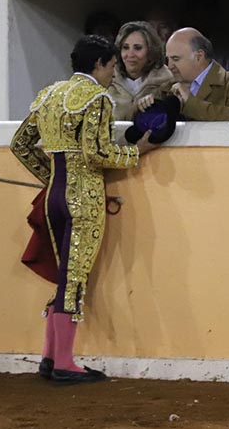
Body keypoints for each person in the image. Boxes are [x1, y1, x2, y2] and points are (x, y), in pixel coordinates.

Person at [10, 35, 158, 384]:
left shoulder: (48, 94)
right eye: (111, 66)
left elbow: (20, 144)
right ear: (100, 64)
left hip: (53, 198)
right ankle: (64, 363)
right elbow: (97, 154)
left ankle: (49, 359)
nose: (112, 74)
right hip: (83, 198)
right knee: (74, 278)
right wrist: (139, 152)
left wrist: (52, 178)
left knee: (63, 276)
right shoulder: (96, 98)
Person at [140, 27, 229, 121]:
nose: (169, 66)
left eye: (176, 59)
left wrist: (190, 102)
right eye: (168, 59)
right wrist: (143, 107)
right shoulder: (166, 87)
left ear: (199, 57)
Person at [108, 21, 174, 121]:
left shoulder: (168, 82)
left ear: (151, 51)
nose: (130, 55)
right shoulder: (105, 81)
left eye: (137, 48)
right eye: (125, 48)